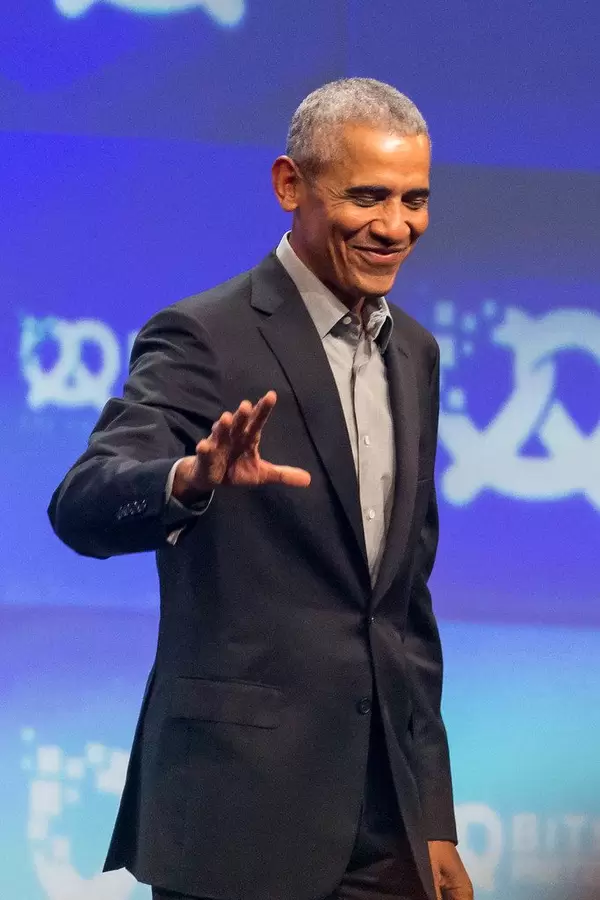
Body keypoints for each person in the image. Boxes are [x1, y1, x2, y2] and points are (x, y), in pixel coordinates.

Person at [49, 78, 473, 900]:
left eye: (414, 200)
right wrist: (188, 479)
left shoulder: (415, 354)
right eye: (367, 197)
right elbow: (83, 502)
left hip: (384, 830)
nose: (396, 226)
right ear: (290, 185)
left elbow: (403, 611)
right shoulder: (205, 336)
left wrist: (432, 818)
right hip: (236, 817)